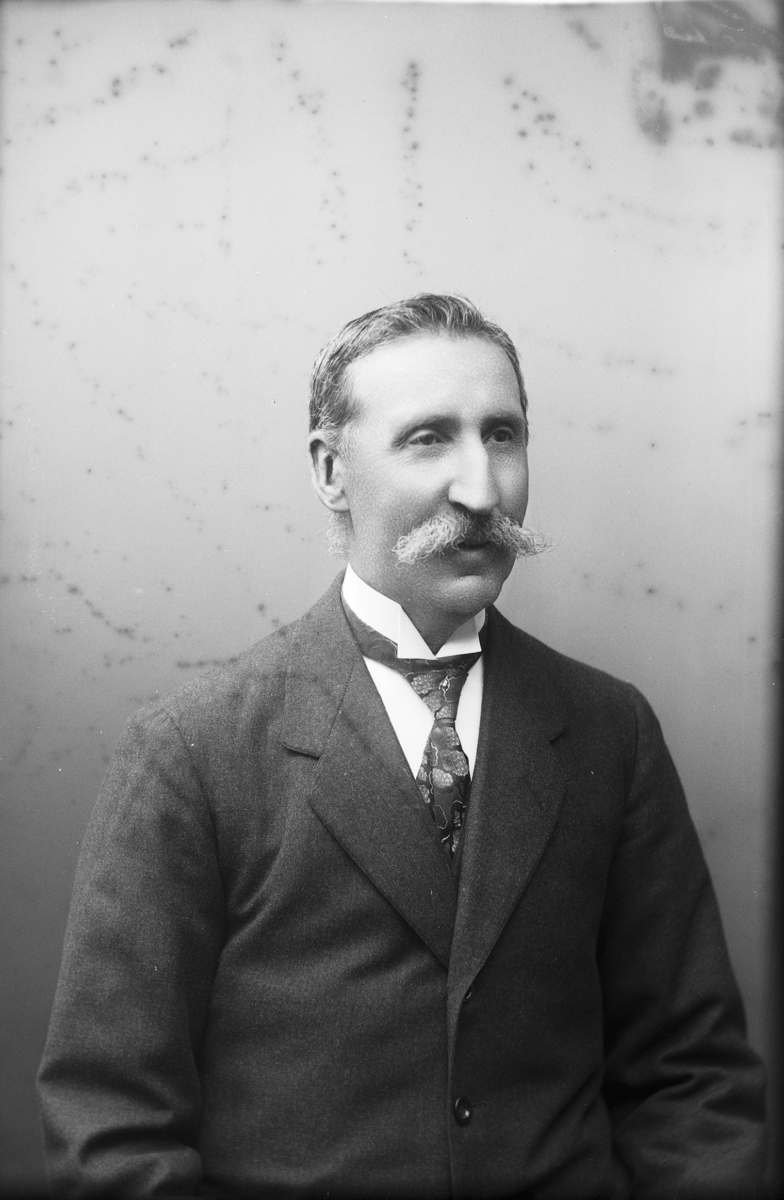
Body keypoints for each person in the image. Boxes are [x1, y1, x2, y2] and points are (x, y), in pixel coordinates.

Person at [38, 294, 766, 1198]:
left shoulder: (610, 730)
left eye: (502, 436)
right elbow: (110, 1129)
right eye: (429, 439)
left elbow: (692, 1081)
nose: (482, 490)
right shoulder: (193, 751)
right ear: (330, 470)